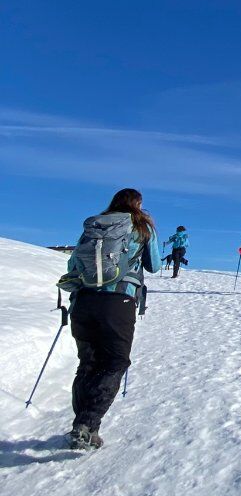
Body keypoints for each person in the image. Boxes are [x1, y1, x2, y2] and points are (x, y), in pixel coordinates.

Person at [59, 188, 161, 450]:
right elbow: (154, 265)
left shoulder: (94, 226)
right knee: (115, 362)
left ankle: (83, 427)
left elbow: (73, 266)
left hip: (83, 301)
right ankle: (87, 424)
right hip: (118, 302)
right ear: (138, 204)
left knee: (88, 363)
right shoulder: (141, 227)